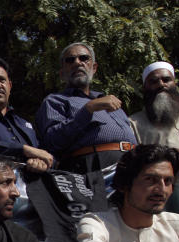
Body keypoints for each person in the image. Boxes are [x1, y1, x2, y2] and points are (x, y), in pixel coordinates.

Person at [36, 42, 136, 173]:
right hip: (93, 169)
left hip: (131, 166)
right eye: (70, 60)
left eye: (83, 58)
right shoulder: (55, 101)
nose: (77, 63)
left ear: (94, 68)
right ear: (62, 73)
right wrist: (87, 110)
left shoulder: (109, 101)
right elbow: (52, 142)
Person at [128, 61, 179, 172]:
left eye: (166, 80)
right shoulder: (133, 124)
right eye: (153, 81)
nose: (161, 84)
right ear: (144, 88)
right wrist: (170, 155)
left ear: (174, 84)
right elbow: (131, 162)